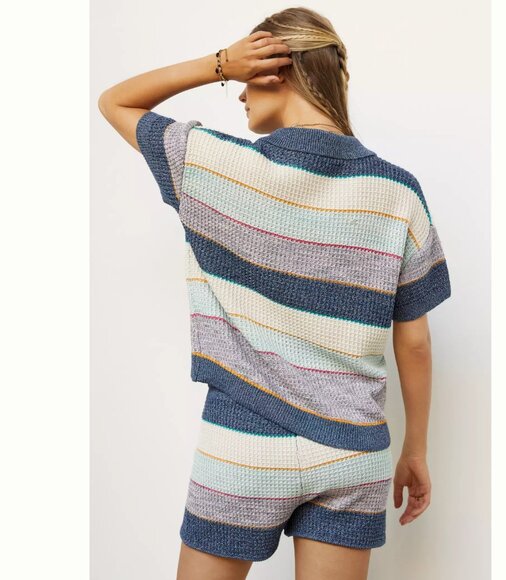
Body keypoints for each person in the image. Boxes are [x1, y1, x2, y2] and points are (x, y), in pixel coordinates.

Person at [98, 7, 451, 580]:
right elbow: (414, 342)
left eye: (244, 79)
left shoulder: (216, 165)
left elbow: (115, 102)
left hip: (245, 443)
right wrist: (415, 449)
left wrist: (218, 64)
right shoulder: (398, 193)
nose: (239, 94)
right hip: (354, 451)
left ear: (272, 69)